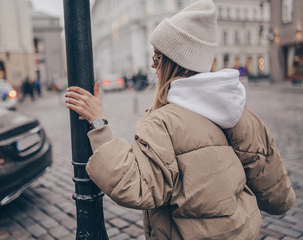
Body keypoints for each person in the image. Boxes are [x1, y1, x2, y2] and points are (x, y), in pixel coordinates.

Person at [65, 0, 295, 239]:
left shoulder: (164, 122)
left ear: (171, 63)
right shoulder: (240, 112)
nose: (153, 66)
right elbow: (279, 196)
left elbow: (136, 186)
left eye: (157, 58)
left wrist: (99, 123)